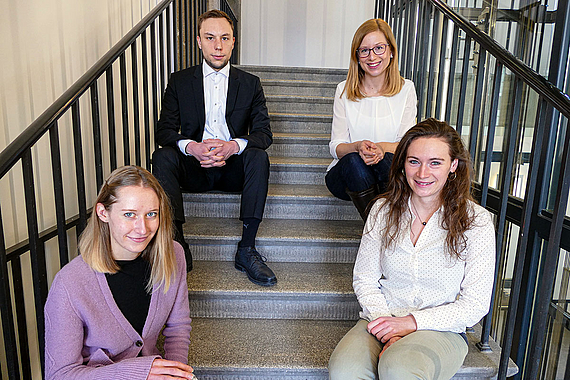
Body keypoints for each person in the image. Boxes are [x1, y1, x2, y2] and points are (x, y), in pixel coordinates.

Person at [328, 119, 496, 380]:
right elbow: (365, 280)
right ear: (402, 163)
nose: (422, 173)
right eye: (414, 161)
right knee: (344, 371)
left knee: (399, 369)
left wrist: (411, 324)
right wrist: (389, 326)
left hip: (442, 328)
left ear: (453, 166)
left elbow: (475, 304)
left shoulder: (476, 220)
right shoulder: (382, 211)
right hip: (381, 317)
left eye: (435, 162)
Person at [152, 9, 276, 286]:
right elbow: (165, 131)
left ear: (233, 41)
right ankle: (178, 245)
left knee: (258, 156)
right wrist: (192, 147)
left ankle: (246, 248)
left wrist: (234, 146)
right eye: (210, 38)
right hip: (194, 168)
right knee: (162, 157)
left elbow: (263, 133)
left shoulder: (251, 83)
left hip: (233, 169)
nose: (218, 46)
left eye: (224, 38)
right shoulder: (179, 81)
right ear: (198, 40)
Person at [44, 166, 194, 380]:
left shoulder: (173, 255)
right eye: (129, 215)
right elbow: (59, 375)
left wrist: (175, 372)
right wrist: (138, 373)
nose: (142, 229)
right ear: (103, 213)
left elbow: (178, 327)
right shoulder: (70, 283)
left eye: (151, 214)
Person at [325, 18, 417, 220]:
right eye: (364, 50)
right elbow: (336, 146)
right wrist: (357, 146)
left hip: (386, 171)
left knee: (387, 161)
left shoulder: (406, 89)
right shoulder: (343, 90)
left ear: (391, 51)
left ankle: (378, 229)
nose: (372, 56)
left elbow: (407, 144)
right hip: (348, 175)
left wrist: (381, 148)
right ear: (357, 56)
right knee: (353, 160)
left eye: (378, 48)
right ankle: (381, 229)